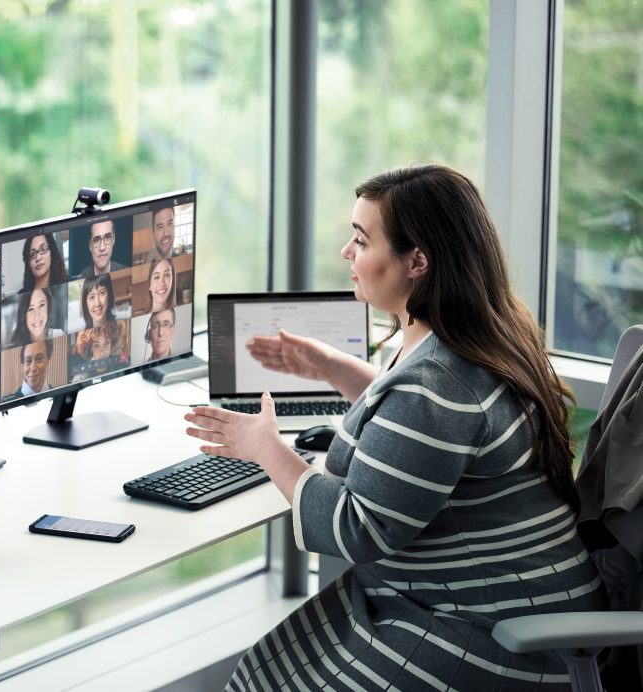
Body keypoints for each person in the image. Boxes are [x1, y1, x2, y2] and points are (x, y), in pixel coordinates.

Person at [184, 164, 607, 691]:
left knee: (261, 680)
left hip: (496, 632)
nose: (347, 252)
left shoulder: (437, 384)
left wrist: (265, 448)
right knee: (262, 672)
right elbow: (424, 438)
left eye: (361, 240)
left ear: (417, 262)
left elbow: (357, 530)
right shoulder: (477, 339)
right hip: (509, 595)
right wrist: (331, 367)